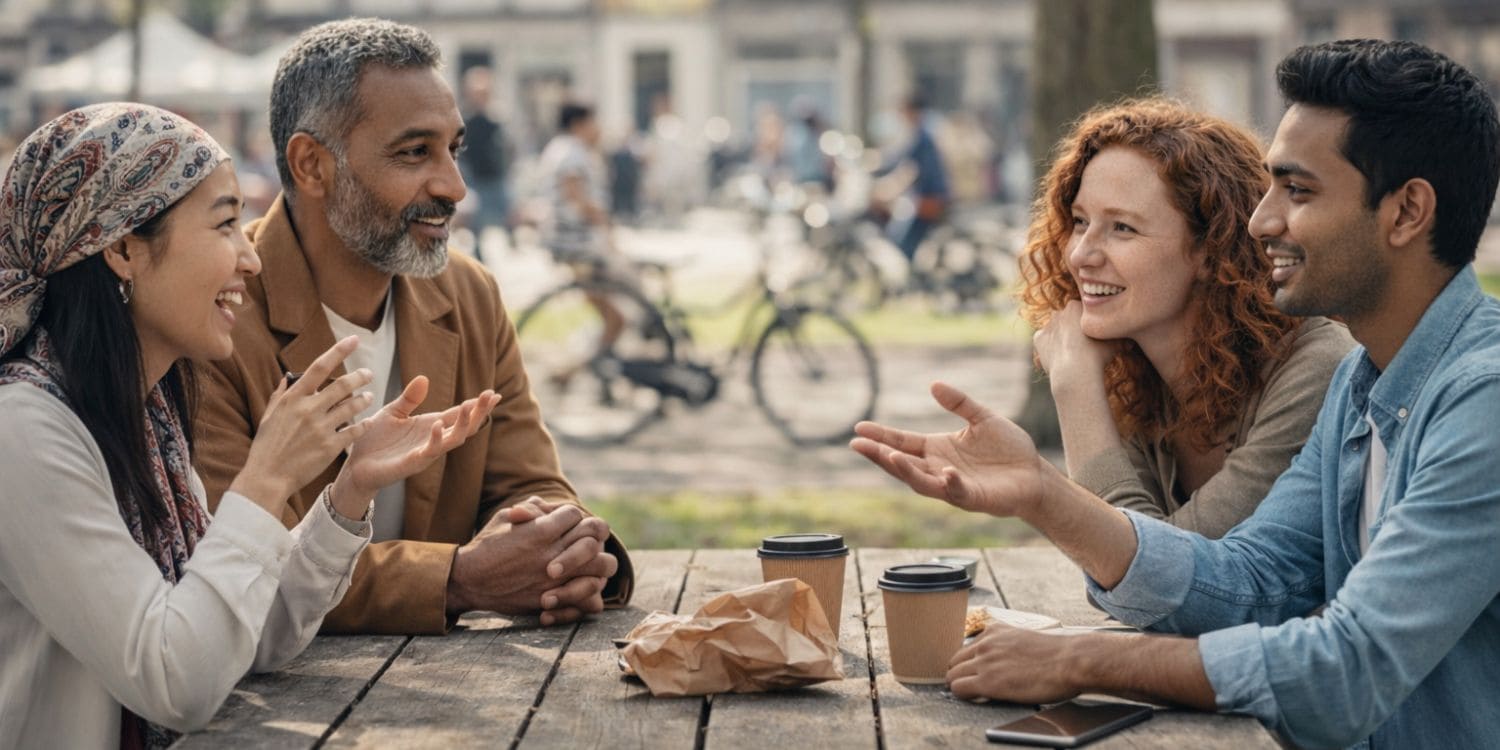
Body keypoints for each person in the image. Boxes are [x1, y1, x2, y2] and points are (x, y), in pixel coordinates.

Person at [852, 39, 1500, 748]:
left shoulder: (1482, 402)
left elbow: (1347, 669)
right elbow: (1247, 580)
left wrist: (1083, 659)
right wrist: (1041, 491)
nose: (1261, 221)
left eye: (1299, 190)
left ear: (1407, 213)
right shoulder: (1365, 381)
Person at [0, 103, 494, 747]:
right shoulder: (25, 431)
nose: (250, 259)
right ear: (122, 248)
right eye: (226, 225)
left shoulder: (144, 415)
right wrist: (265, 478)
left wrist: (349, 493)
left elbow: (245, 633)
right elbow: (176, 681)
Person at [193, 18, 634, 636]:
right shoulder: (214, 316)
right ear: (312, 165)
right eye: (414, 152)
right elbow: (234, 568)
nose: (454, 186)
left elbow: (532, 483)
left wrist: (563, 554)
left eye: (453, 149)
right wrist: (458, 578)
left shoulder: (469, 293)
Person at [1019, 98, 1354, 538]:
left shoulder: (1314, 369)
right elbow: (1121, 577)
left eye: (1123, 227)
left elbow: (1159, 580)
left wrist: (1075, 388)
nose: (1080, 255)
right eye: (1080, 222)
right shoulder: (1140, 379)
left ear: (1212, 250)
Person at [873, 93, 952, 263]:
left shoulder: (922, 139)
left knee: (900, 242)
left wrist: (887, 190)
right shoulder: (919, 136)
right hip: (923, 198)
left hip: (929, 200)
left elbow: (909, 171)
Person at [458, 65, 512, 259]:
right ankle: (478, 251)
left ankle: (511, 245)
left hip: (496, 175)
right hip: (474, 176)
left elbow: (508, 147)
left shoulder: (497, 117)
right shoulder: (463, 119)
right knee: (475, 219)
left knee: (508, 213)